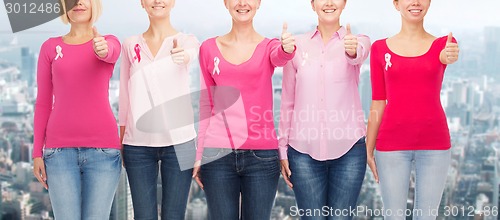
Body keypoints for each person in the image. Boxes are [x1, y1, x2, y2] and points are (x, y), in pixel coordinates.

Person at [191, 0, 295, 219]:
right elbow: (206, 104)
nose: (242, 3)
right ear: (226, 3)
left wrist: (287, 49)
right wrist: (200, 154)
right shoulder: (208, 48)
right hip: (217, 155)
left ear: (258, 3)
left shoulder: (270, 47)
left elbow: (281, 56)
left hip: (261, 158)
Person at [366, 0, 459, 219]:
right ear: (396, 4)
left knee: (426, 216)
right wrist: (369, 148)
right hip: (390, 146)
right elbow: (378, 102)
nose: (415, 2)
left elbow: (448, 55)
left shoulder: (443, 45)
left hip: (435, 144)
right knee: (393, 216)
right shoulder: (379, 49)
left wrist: (451, 55)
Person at [278, 0, 371, 219]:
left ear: (345, 3)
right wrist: (282, 148)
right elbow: (288, 101)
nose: (329, 3)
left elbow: (358, 53)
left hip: (349, 151)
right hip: (302, 153)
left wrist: (351, 50)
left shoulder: (359, 41)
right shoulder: (297, 46)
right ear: (312, 4)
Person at [32, 0, 122, 219]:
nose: (79, 2)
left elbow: (110, 52)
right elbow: (43, 102)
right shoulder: (50, 47)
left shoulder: (108, 41)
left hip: (103, 152)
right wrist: (36, 153)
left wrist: (102, 48)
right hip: (58, 153)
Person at [118, 0, 198, 219]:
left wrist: (183, 56)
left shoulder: (186, 41)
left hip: (180, 143)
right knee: (143, 216)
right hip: (137, 145)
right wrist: (123, 138)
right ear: (142, 3)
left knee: (175, 215)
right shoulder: (129, 44)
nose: (157, 1)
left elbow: (191, 53)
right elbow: (125, 95)